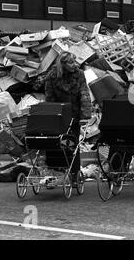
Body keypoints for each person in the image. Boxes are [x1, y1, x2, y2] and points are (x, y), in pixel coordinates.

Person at [44, 52, 92, 186]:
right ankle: (57, 171)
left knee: (72, 143)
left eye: (75, 61)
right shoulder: (52, 77)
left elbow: (84, 94)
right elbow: (49, 98)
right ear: (63, 64)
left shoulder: (79, 74)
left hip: (74, 114)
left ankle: (74, 174)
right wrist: (51, 116)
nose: (75, 65)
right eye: (71, 62)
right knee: (56, 143)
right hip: (58, 115)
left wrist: (85, 115)